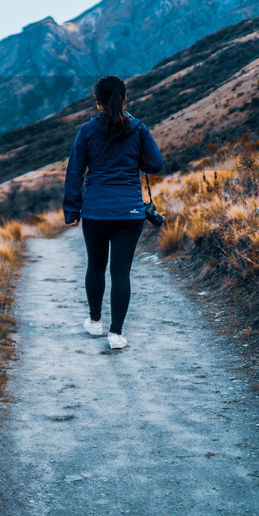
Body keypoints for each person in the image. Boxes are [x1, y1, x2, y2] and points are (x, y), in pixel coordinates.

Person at [62, 75, 164, 350]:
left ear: (97, 103)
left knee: (95, 265)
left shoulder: (86, 131)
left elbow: (74, 173)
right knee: (121, 273)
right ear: (125, 100)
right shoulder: (138, 128)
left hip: (95, 212)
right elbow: (155, 163)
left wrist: (72, 210)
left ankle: (95, 323)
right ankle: (116, 334)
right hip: (130, 212)